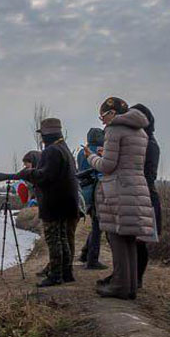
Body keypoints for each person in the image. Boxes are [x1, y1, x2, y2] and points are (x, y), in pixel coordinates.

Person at [85, 97, 157, 300]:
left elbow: (108, 166)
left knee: (117, 238)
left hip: (118, 189)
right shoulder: (140, 131)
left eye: (103, 116)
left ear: (113, 113)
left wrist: (91, 156)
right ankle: (131, 286)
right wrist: (105, 152)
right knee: (129, 239)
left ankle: (119, 286)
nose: (102, 121)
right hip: (136, 186)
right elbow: (125, 158)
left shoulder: (114, 130)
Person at [17, 118, 80, 287]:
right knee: (63, 239)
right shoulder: (64, 148)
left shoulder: (51, 151)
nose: (41, 139)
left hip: (54, 203)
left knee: (54, 240)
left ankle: (55, 275)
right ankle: (67, 273)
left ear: (46, 134)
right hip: (66, 202)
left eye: (42, 135)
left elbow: (45, 177)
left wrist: (28, 173)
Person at [77, 128, 108, 270]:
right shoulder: (101, 151)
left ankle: (85, 254)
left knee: (96, 224)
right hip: (96, 191)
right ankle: (92, 260)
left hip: (84, 191)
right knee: (97, 226)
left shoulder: (81, 152)